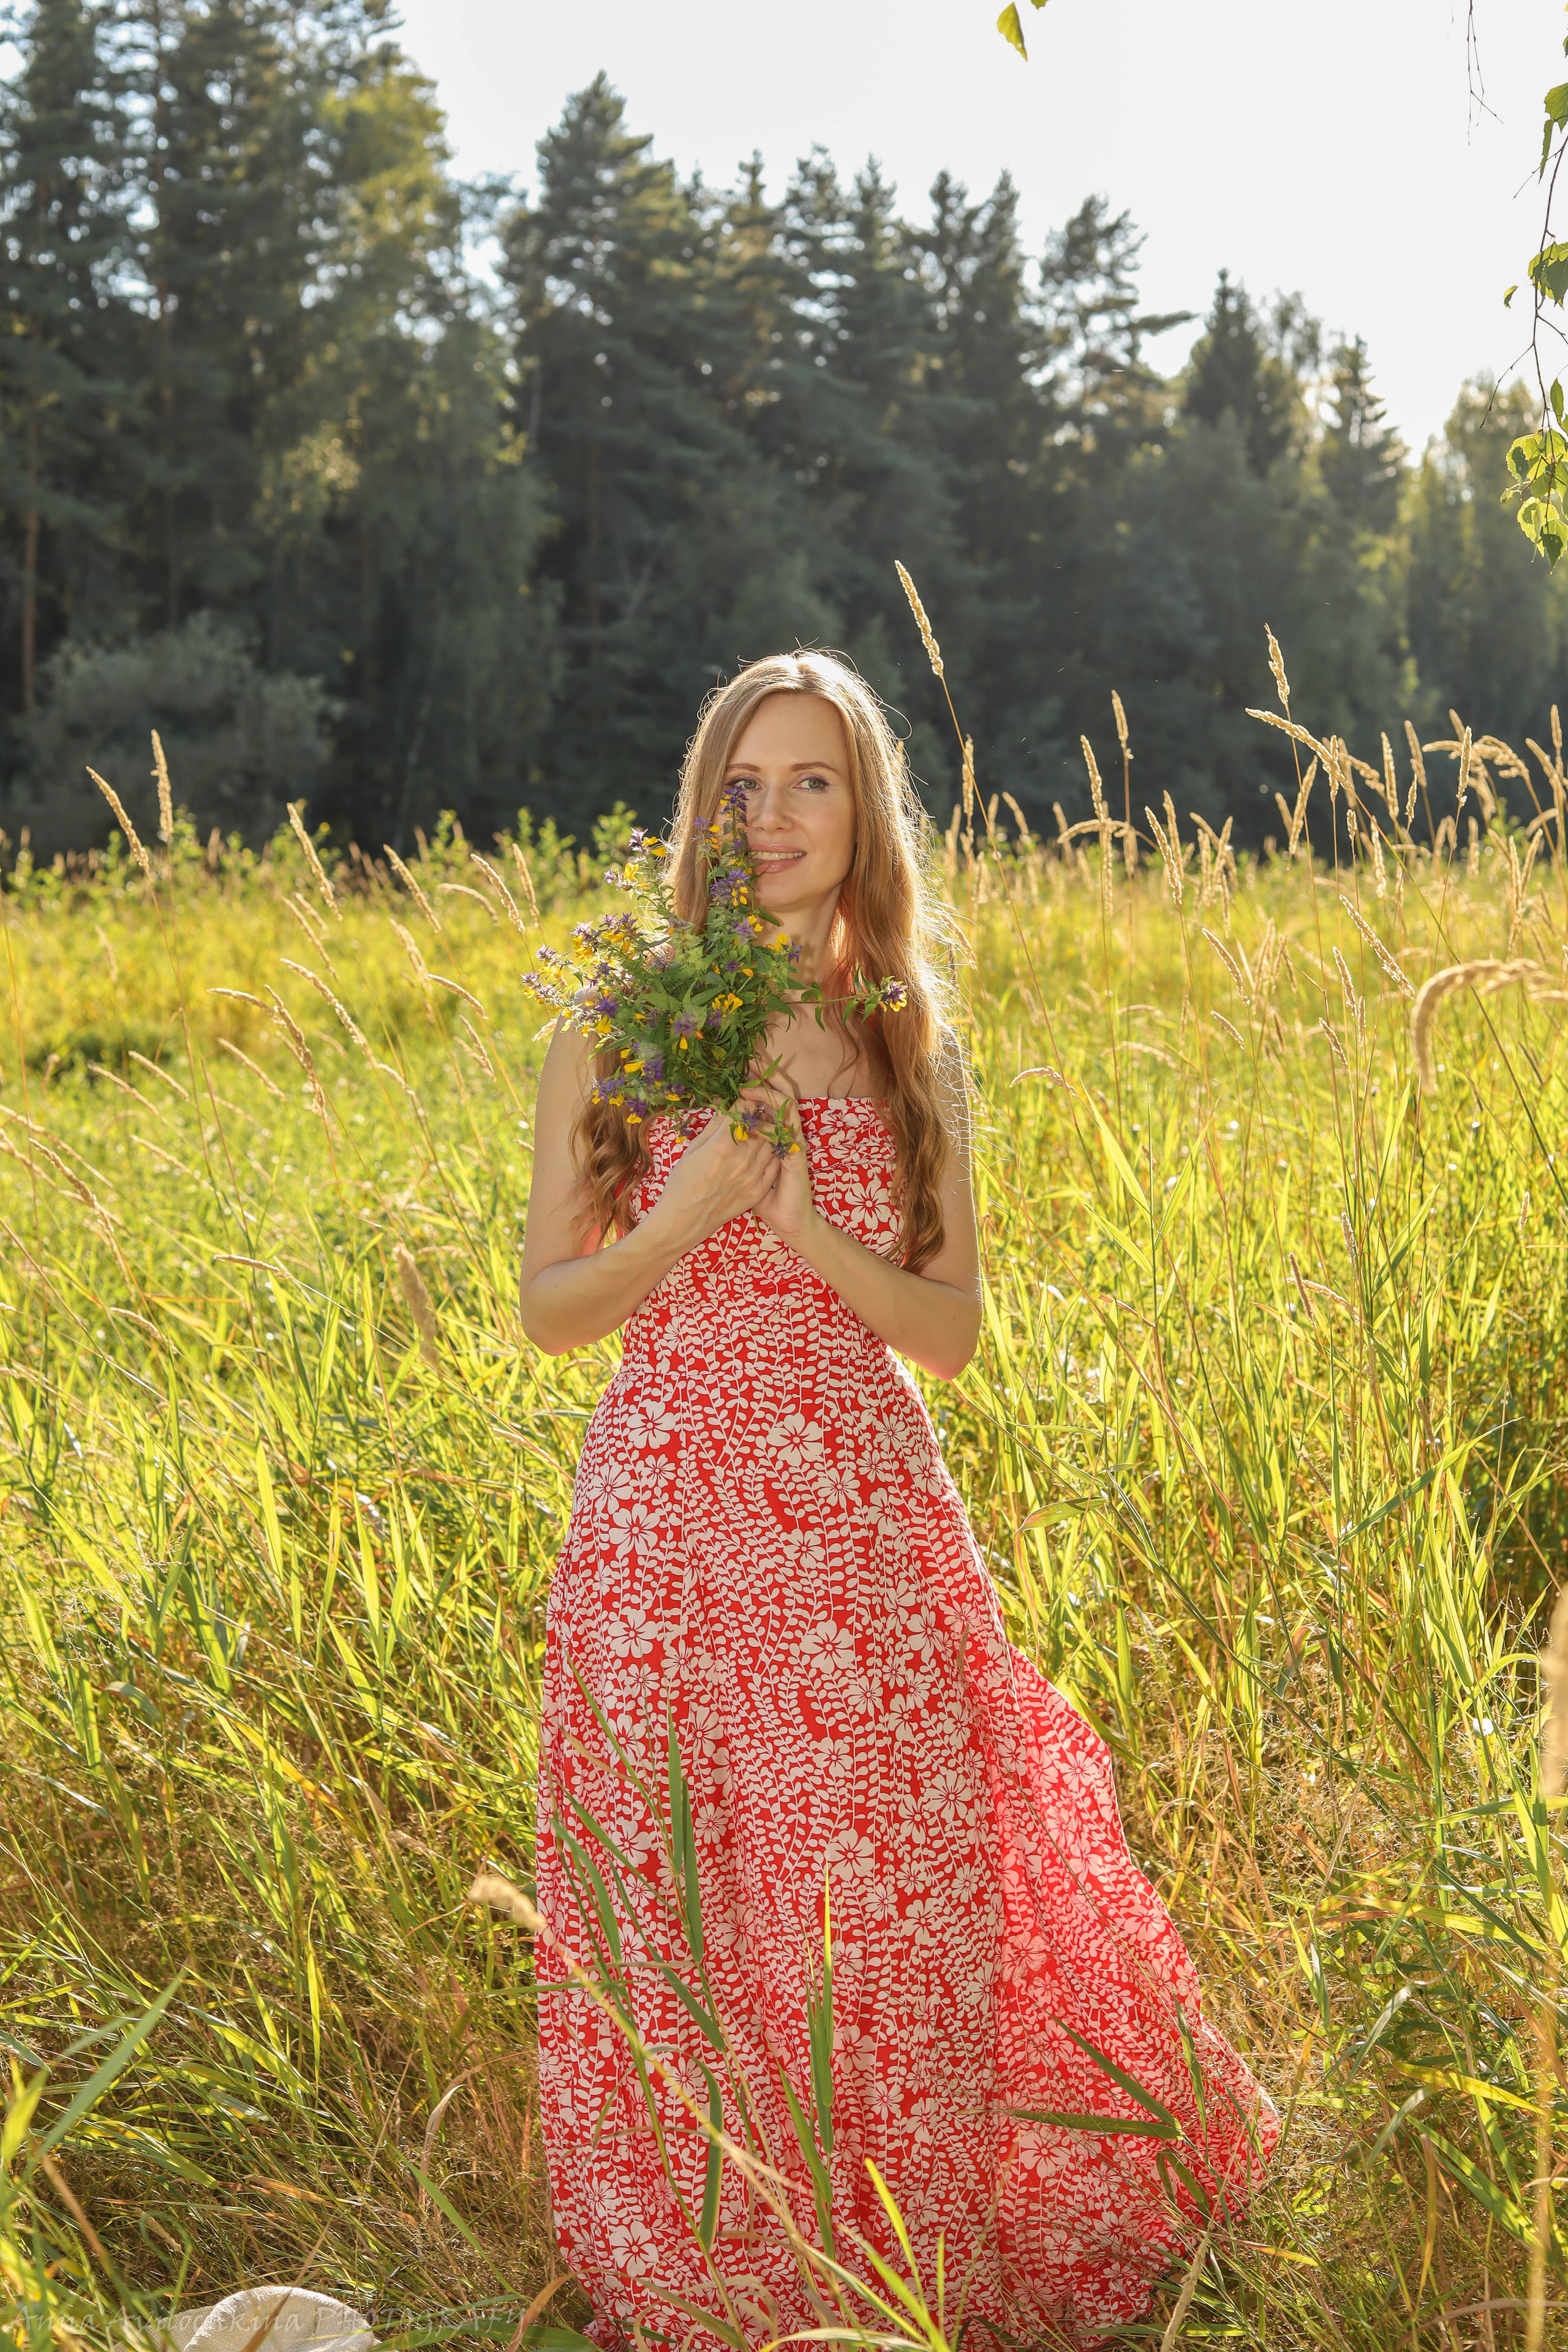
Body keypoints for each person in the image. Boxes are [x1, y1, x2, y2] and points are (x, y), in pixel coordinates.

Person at [518, 652, 1276, 2351]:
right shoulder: (620, 1031)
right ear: (703, 814)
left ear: (865, 815)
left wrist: (801, 1231)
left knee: (892, 1898)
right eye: (745, 785)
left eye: (813, 784)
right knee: (696, 1898)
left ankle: (896, 2273)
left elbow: (951, 1335)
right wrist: (690, 1213)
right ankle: (732, 2262)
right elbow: (555, 1309)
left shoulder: (904, 1042)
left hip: (864, 1516)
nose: (775, 819)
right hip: (673, 1523)